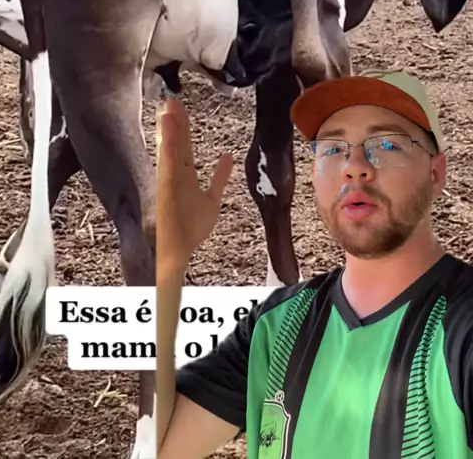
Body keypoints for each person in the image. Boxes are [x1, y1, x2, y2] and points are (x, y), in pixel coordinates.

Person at [156, 68, 473, 459]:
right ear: (312, 176)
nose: (354, 166)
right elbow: (160, 448)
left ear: (436, 173)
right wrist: (168, 261)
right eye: (333, 150)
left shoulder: (460, 332)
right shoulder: (274, 328)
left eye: (387, 144)